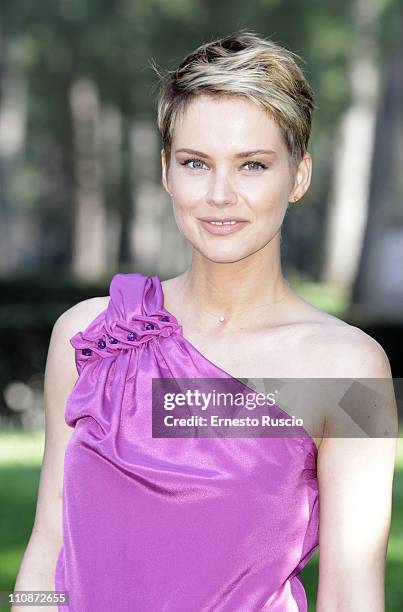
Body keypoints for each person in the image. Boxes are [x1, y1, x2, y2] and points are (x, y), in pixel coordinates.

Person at [13, 30, 397, 612]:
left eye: (252, 165)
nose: (220, 194)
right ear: (167, 171)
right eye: (197, 162)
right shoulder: (88, 337)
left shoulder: (349, 370)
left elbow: (351, 595)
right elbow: (48, 542)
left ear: (298, 176)